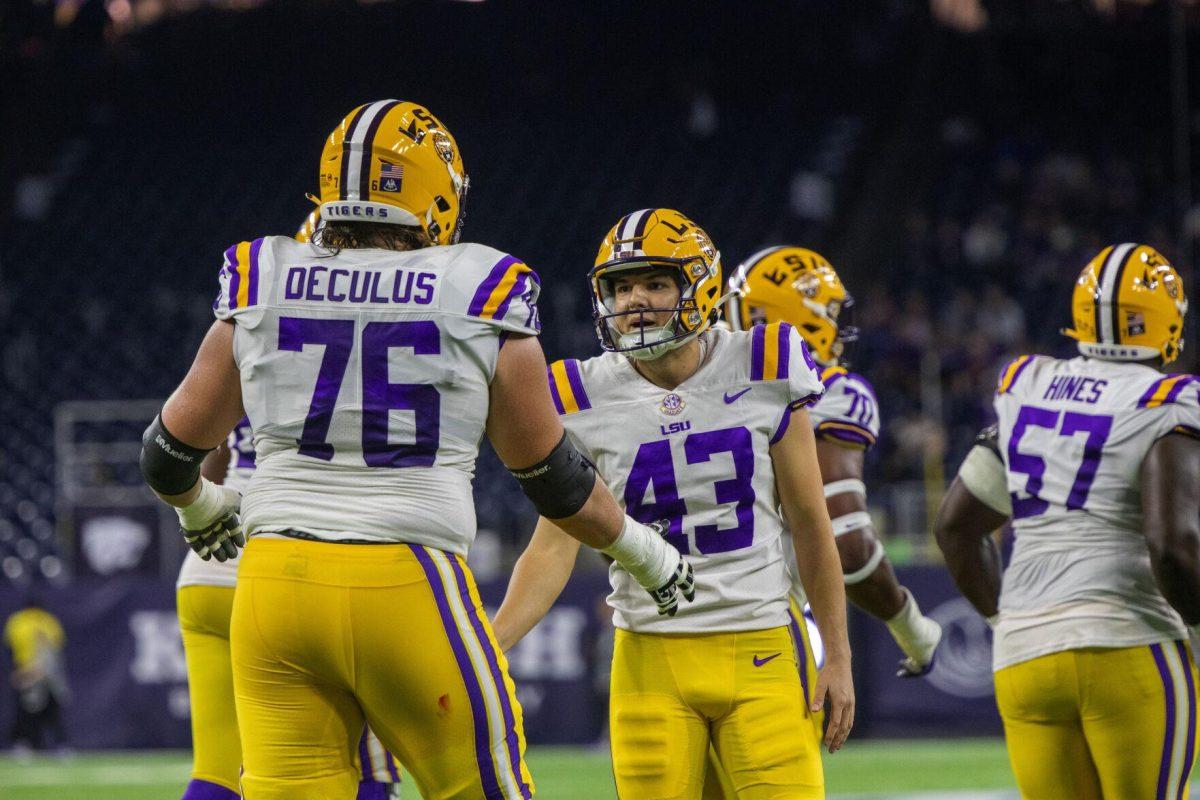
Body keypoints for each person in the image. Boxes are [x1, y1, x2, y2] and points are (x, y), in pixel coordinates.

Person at [139, 101, 695, 800]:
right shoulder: (482, 284)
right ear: (435, 193)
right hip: (404, 576)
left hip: (274, 585)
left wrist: (203, 511)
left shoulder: (262, 273)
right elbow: (554, 479)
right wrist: (648, 553)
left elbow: (166, 455)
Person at [493, 209, 853, 800]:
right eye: (621, 285)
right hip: (649, 661)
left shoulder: (766, 362)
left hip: (760, 643)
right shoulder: (579, 392)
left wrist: (837, 656)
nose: (635, 299)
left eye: (656, 283)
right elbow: (553, 544)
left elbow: (811, 523)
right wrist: (489, 646)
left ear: (699, 286)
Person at [935, 243, 1200, 799]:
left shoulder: (1027, 382)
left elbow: (955, 526)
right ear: (1168, 320)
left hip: (1024, 659)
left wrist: (1005, 621)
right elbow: (1173, 546)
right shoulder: (1170, 399)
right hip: (1128, 642)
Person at [726, 246, 942, 679]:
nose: (840, 327)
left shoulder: (691, 385)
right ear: (801, 315)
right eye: (830, 312)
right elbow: (848, 543)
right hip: (763, 627)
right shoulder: (829, 391)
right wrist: (913, 629)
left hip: (670, 620)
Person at [177, 410, 402, 800]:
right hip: (297, 554)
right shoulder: (353, 360)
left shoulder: (245, 350)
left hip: (209, 565)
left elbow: (190, 450)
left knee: (217, 773)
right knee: (366, 763)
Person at [3, 597, 69, 753]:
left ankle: (30, 745)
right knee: (35, 711)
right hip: (41, 673)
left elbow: (11, 649)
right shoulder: (49, 621)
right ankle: (55, 745)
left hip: (31, 672)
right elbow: (57, 651)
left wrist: (21, 672)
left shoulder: (17, 621)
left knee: (34, 711)